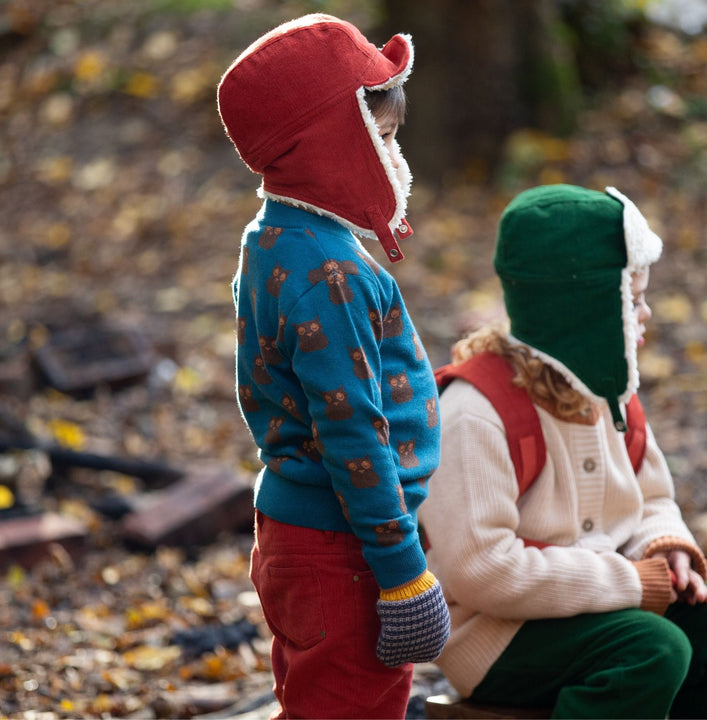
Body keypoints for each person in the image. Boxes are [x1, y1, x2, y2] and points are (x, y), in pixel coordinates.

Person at [216, 14, 450, 720]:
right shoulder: (331, 273)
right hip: (342, 548)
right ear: (330, 144)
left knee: (316, 702)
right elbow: (352, 434)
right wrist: (403, 573)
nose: (394, 155)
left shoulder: (275, 238)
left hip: (305, 535)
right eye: (381, 137)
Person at [419, 184, 707, 719]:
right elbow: (480, 569)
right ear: (580, 309)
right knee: (652, 649)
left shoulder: (606, 392)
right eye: (631, 301)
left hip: (603, 608)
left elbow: (649, 498)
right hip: (498, 635)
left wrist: (661, 548)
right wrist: (630, 582)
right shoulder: (476, 413)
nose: (646, 314)